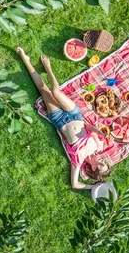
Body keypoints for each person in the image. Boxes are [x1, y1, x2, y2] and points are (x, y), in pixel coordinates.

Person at [16, 47, 111, 190]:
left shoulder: (78, 161)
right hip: (75, 115)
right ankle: (48, 67)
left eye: (101, 164)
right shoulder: (98, 146)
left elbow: (75, 184)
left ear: (93, 167)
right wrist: (99, 132)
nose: (102, 160)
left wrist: (92, 188)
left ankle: (25, 59)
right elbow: (88, 128)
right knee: (56, 91)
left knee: (43, 89)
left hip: (59, 119)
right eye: (105, 162)